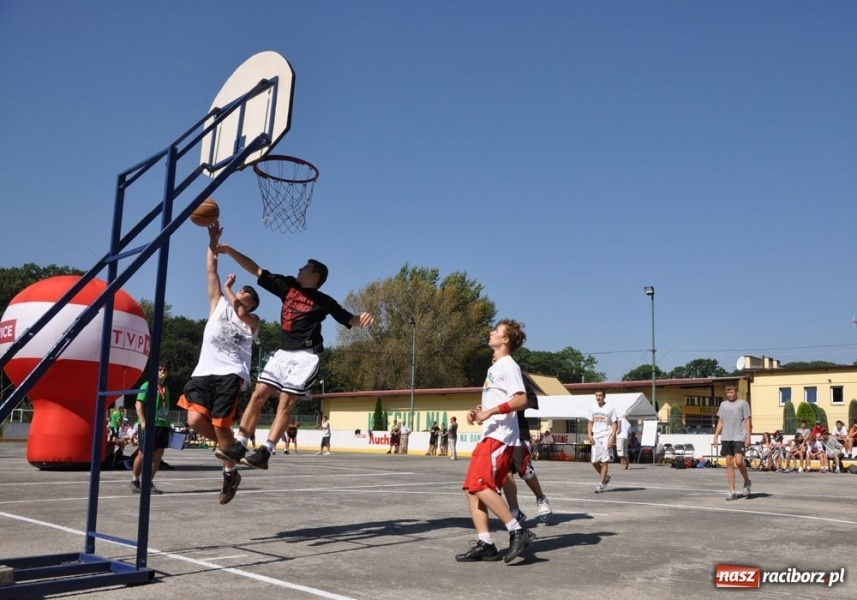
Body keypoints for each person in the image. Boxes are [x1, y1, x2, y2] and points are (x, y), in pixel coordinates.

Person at [214, 244, 374, 469]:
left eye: (305, 268)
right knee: (257, 395)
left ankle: (265, 451)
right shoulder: (287, 286)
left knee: (285, 402)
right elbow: (256, 270)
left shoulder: (324, 301)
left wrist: (362, 318)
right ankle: (240, 443)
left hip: (305, 357)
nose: (299, 269)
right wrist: (230, 251)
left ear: (315, 276)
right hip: (282, 354)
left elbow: (349, 319)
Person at [176, 221, 261, 505]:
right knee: (194, 419)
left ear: (251, 303)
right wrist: (212, 242)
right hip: (204, 370)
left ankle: (229, 475)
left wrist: (229, 289)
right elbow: (211, 269)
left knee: (221, 426)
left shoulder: (253, 320)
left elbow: (241, 312)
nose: (241, 293)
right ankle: (230, 450)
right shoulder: (218, 303)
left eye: (246, 294)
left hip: (230, 373)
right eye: (241, 291)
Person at [456, 319, 534, 564]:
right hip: (490, 435)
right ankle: (486, 544)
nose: (491, 332)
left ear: (506, 339)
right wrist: (480, 411)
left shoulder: (509, 365)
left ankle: (517, 531)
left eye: (496, 331)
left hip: (500, 438)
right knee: (471, 489)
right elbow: (500, 401)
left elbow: (521, 400)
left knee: (480, 485)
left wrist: (490, 412)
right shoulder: (496, 367)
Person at [504, 375, 552, 525]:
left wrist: (508, 407)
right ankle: (515, 511)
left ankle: (541, 498)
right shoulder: (491, 378)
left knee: (523, 469)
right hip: (500, 433)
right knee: (504, 472)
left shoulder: (515, 375)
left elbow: (531, 401)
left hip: (518, 431)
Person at [131, 363, 172, 495]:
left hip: (162, 425)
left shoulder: (166, 388)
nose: (162, 372)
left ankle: (148, 482)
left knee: (159, 453)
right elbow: (138, 403)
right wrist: (143, 421)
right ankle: (135, 480)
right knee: (143, 453)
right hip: (149, 424)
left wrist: (168, 424)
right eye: (159, 369)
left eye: (165, 370)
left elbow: (166, 407)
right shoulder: (147, 385)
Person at [712, 384, 752, 500]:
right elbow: (721, 421)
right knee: (729, 463)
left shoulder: (743, 403)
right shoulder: (723, 405)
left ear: (736, 392)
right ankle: (732, 491)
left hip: (739, 436)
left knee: (739, 462)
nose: (729, 394)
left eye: (731, 392)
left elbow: (747, 421)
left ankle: (747, 481)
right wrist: (715, 436)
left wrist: (748, 437)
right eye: (728, 393)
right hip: (726, 437)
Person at [587, 389, 617, 493]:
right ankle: (606, 477)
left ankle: (601, 484)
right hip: (596, 436)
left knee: (604, 461)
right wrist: (589, 435)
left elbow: (615, 424)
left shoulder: (610, 408)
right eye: (596, 395)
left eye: (600, 395)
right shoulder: (592, 407)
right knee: (594, 461)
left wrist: (612, 438)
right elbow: (590, 422)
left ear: (604, 396)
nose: (598, 397)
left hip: (606, 436)